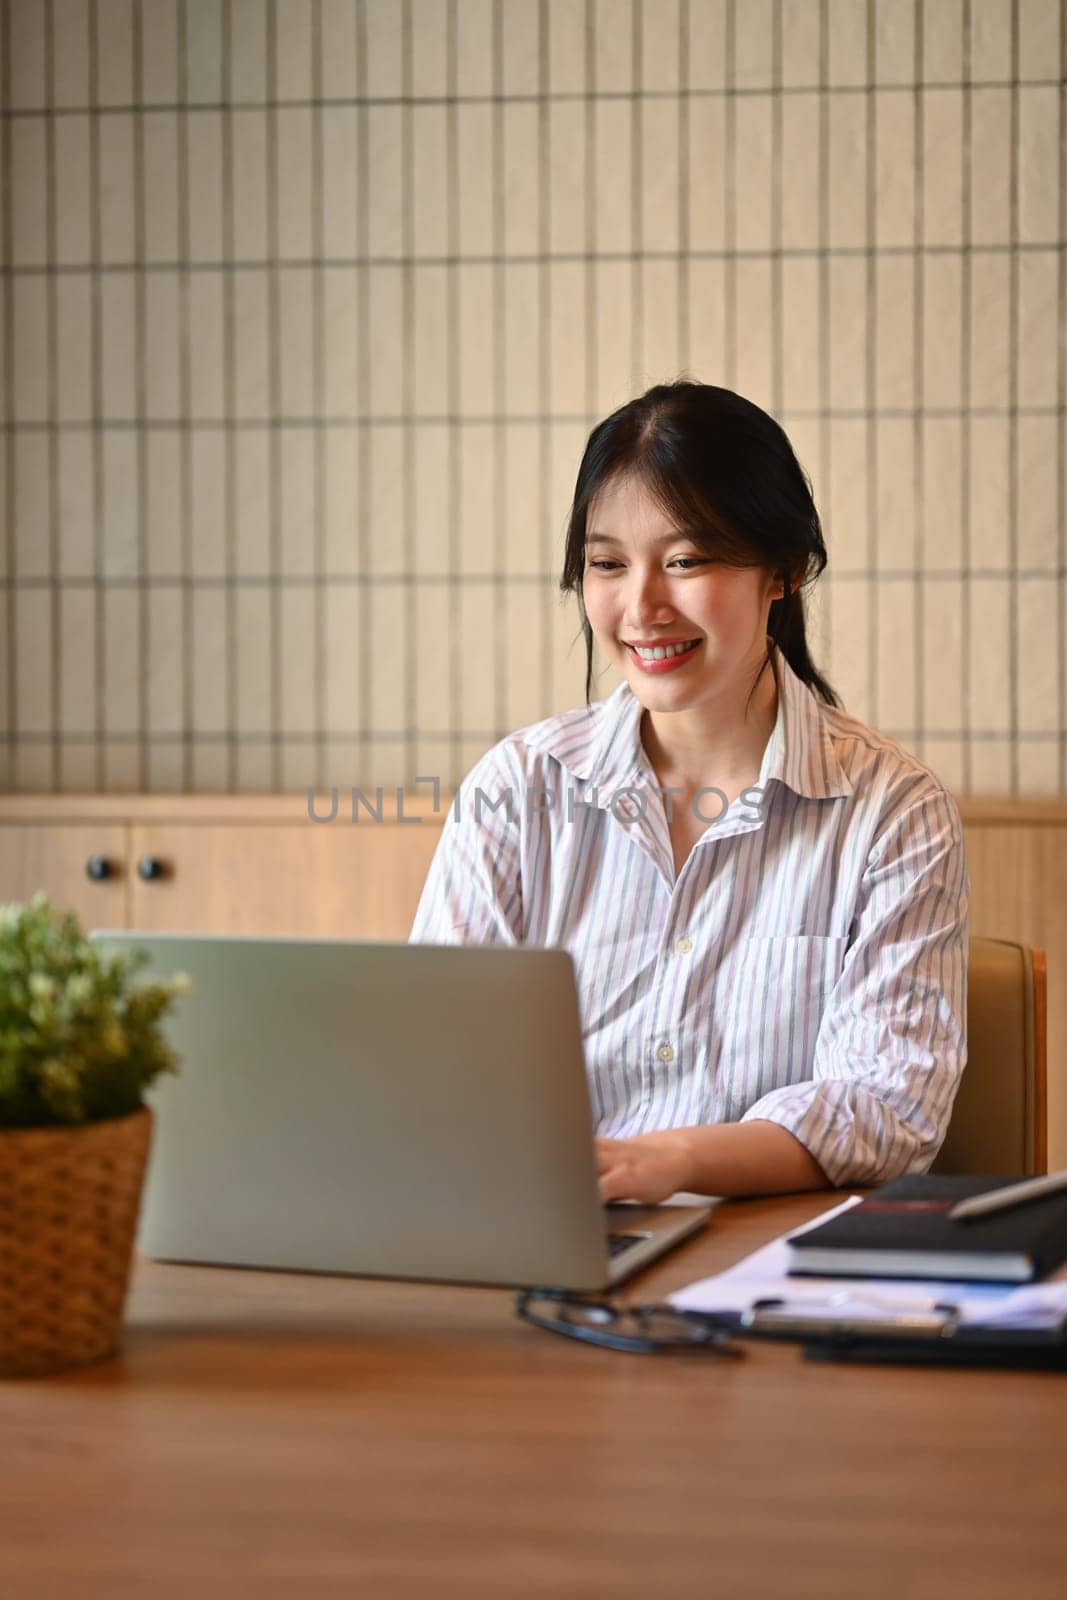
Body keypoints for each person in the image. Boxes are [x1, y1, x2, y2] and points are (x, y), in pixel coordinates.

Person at [409, 380, 969, 1205]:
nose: (640, 608)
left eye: (685, 561)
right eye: (606, 564)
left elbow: (888, 1109)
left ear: (782, 571)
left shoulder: (892, 811)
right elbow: (429, 1060)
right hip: (541, 1238)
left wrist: (671, 1161)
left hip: (769, 1256)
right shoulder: (520, 786)